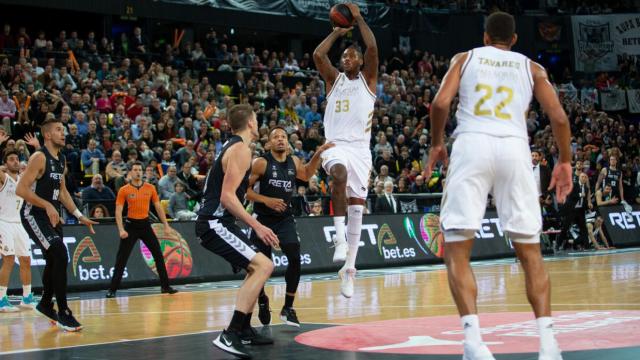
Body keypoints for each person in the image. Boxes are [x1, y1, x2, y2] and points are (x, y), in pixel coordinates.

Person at [424, 12, 571, 360]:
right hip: (514, 148)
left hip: (472, 144)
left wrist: (436, 143)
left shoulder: (466, 57)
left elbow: (440, 103)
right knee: (530, 251)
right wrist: (564, 161)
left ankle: (474, 343)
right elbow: (560, 117)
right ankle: (548, 346)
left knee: (458, 249)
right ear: (514, 40)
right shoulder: (532, 67)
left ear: (485, 37)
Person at [196, 104, 279, 358]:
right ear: (251, 123)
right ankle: (230, 333)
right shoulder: (241, 149)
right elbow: (227, 198)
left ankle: (243, 329)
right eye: (256, 118)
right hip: (214, 222)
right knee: (264, 266)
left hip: (222, 222)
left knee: (256, 267)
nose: (258, 121)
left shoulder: (233, 146)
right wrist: (257, 225)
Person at [313, 2, 378, 298]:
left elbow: (373, 47)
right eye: (344, 56)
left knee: (357, 209)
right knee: (337, 175)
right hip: (336, 145)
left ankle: (349, 269)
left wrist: (359, 18)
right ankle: (339, 240)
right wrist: (338, 33)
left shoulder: (368, 81)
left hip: (361, 151)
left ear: (362, 62)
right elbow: (318, 54)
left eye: (352, 55)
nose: (346, 58)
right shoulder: (333, 80)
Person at [246, 126, 333, 327]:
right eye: (275, 137)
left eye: (283, 136)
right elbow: (244, 190)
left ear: (288, 141)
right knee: (260, 267)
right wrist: (266, 200)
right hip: (262, 219)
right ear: (268, 143)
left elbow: (307, 173)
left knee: (294, 257)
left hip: (284, 219)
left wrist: (318, 153)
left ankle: (288, 307)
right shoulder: (260, 163)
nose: (280, 139)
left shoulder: (293, 161)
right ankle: (262, 299)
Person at [17, 118, 97, 331]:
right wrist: (48, 206)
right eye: (59, 130)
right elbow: (21, 190)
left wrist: (79, 215)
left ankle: (45, 303)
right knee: (60, 254)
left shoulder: (61, 159)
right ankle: (63, 312)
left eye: (64, 129)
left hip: (50, 216)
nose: (64, 133)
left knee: (55, 259)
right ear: (48, 135)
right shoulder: (39, 157)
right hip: (34, 215)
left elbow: (62, 192)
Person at [106, 162, 178, 298]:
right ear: (130, 173)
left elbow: (158, 207)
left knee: (158, 255)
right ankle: (112, 289)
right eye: (135, 170)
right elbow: (118, 211)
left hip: (145, 225)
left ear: (142, 172)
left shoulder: (150, 188)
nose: (138, 172)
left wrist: (166, 225)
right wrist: (121, 229)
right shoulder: (124, 190)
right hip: (130, 225)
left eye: (140, 170)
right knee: (121, 259)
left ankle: (165, 286)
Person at [0, 149, 36, 312]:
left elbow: (37, 168)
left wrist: (36, 148)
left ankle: (27, 298)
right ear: (5, 163)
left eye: (16, 159)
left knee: (26, 260)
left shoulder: (22, 180)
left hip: (18, 222)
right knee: (8, 259)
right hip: (3, 222)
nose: (15, 161)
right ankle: (1, 299)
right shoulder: (3, 178)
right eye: (11, 159)